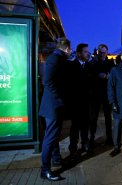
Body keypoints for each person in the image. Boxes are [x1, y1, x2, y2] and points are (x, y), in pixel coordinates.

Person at [39, 38, 72, 181]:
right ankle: (45, 170)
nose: (71, 52)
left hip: (55, 105)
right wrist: (60, 97)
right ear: (66, 49)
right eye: (70, 49)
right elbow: (48, 81)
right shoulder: (54, 59)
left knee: (54, 135)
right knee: (50, 137)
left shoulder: (59, 58)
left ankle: (57, 159)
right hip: (53, 105)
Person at [89, 44, 115, 148]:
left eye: (104, 52)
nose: (102, 54)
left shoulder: (110, 63)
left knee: (108, 118)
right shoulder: (92, 63)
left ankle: (109, 138)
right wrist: (97, 76)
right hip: (95, 95)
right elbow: (89, 76)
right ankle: (91, 139)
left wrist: (107, 76)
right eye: (101, 52)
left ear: (107, 52)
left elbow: (113, 75)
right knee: (93, 118)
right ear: (97, 52)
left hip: (106, 94)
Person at [68, 43, 91, 155]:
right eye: (86, 52)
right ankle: (73, 147)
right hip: (75, 104)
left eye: (88, 51)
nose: (88, 53)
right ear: (78, 54)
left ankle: (85, 144)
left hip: (86, 103)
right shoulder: (71, 66)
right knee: (75, 127)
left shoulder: (89, 66)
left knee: (85, 125)